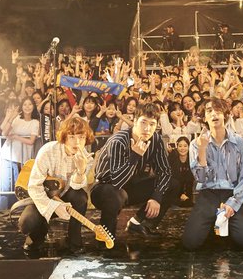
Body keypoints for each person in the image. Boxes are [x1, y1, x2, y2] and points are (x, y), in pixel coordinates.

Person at [93, 103, 174, 241]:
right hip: (105, 188)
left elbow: (165, 172)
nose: (147, 128)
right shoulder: (118, 141)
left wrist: (156, 197)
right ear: (134, 121)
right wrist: (134, 156)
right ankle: (106, 239)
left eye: (152, 124)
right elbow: (117, 181)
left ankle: (139, 224)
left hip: (131, 185)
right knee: (115, 194)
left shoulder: (155, 140)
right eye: (143, 122)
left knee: (172, 185)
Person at [183, 98, 243, 251]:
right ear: (204, 118)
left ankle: (226, 224)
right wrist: (202, 152)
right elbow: (200, 179)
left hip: (232, 193)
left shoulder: (240, 142)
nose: (214, 114)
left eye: (218, 110)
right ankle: (211, 225)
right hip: (208, 194)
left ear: (225, 114)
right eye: (209, 111)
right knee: (190, 243)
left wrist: (233, 203)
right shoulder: (196, 144)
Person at [20, 115, 94, 254]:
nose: (77, 142)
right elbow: (34, 186)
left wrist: (81, 170)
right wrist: (53, 206)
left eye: (81, 137)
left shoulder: (86, 158)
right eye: (72, 136)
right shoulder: (48, 150)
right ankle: (37, 236)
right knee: (26, 223)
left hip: (66, 196)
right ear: (64, 137)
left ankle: (74, 240)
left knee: (80, 197)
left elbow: (77, 187)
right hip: (45, 196)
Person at [169, 136, 194, 207]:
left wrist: (185, 194)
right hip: (174, 191)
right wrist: (180, 194)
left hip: (187, 192)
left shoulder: (192, 159)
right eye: (180, 146)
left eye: (185, 146)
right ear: (177, 147)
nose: (182, 148)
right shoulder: (172, 157)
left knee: (189, 204)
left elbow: (190, 180)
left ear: (189, 147)